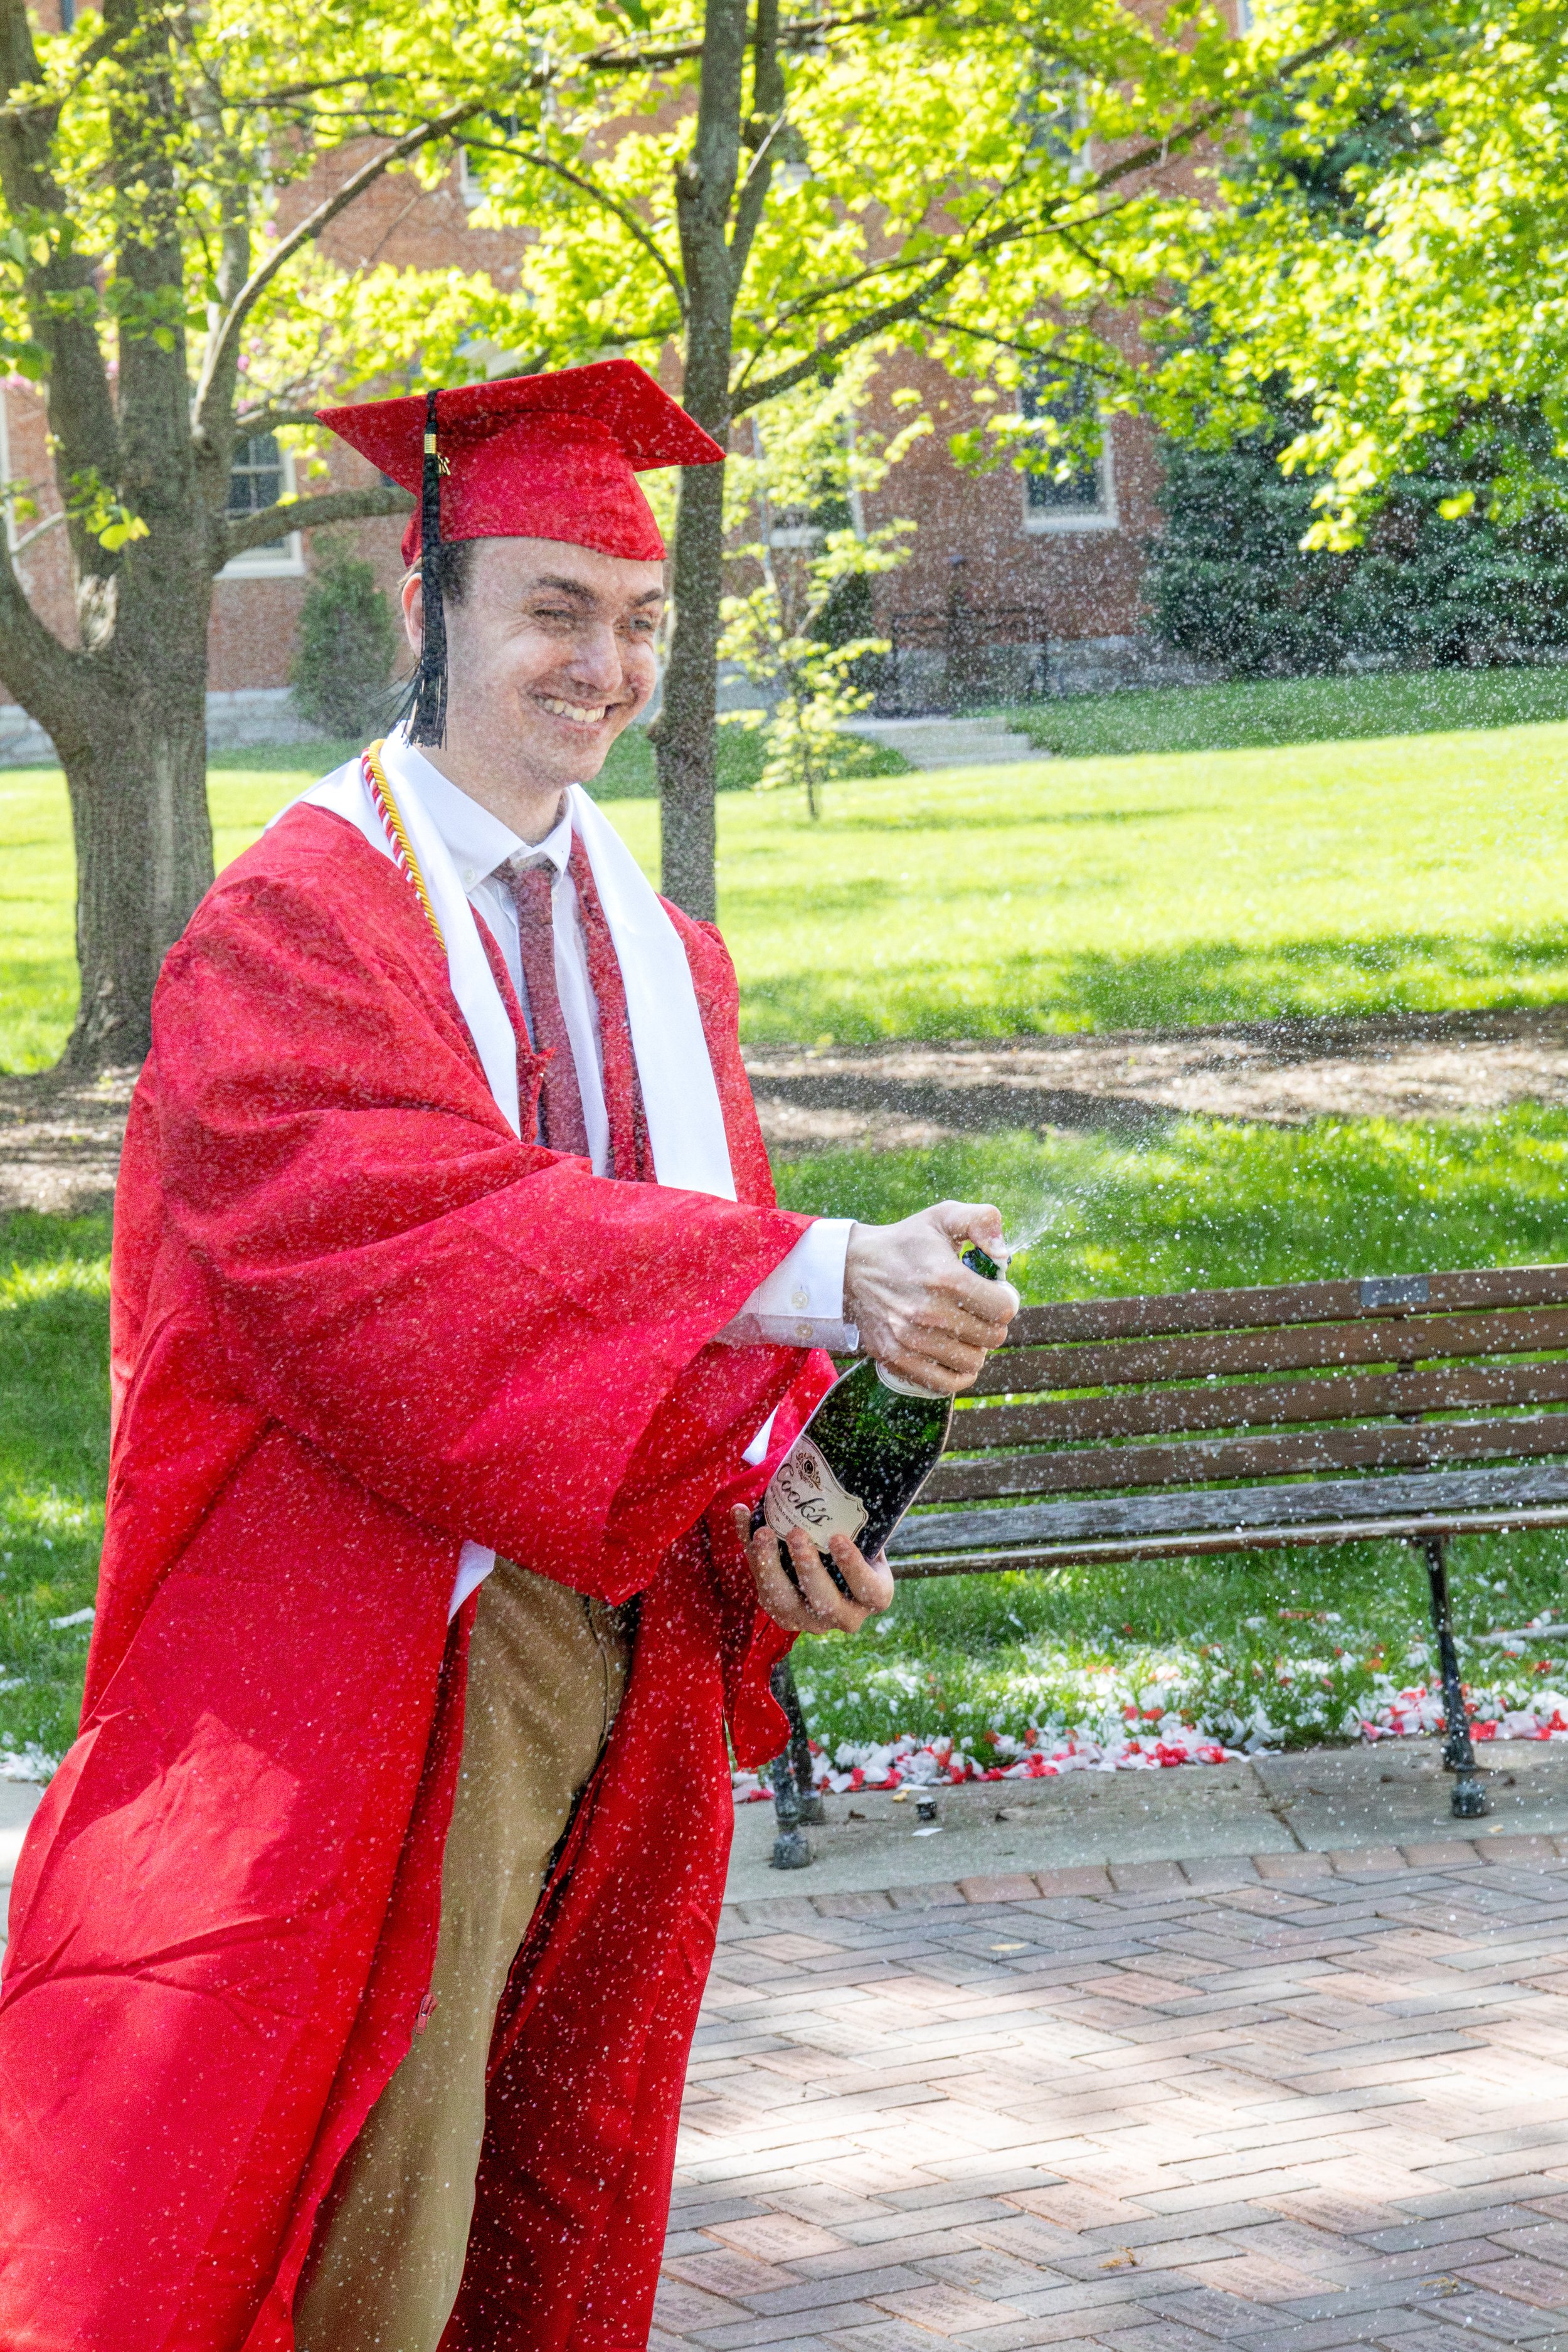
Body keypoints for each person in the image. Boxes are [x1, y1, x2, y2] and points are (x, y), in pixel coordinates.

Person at [0, 360, 1017, 2352]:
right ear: (426, 608)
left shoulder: (657, 940)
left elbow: (682, 1281)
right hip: (393, 1638)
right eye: (554, 607)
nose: (606, 664)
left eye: (638, 620)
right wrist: (823, 1270)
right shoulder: (295, 924)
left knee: (557, 2165)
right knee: (380, 2184)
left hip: (626, 1610)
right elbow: (396, 1248)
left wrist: (788, 1499)